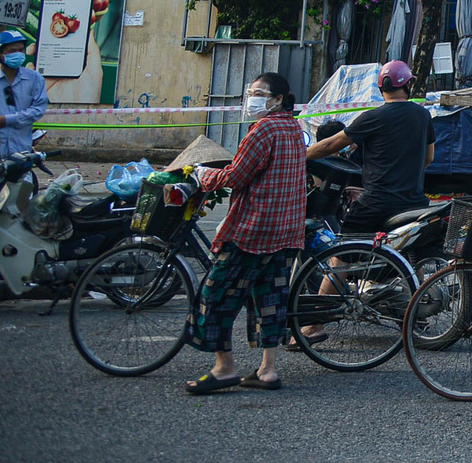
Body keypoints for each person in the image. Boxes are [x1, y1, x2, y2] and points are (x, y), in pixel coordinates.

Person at [181, 72, 307, 393]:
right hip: (286, 229)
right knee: (270, 298)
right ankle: (268, 370)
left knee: (216, 295)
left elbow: (236, 175)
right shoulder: (294, 127)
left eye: (259, 93)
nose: (252, 98)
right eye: (251, 92)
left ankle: (224, 368)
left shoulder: (262, 130)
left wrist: (204, 174)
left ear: (277, 100)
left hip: (253, 230)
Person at [306, 59, 433, 232]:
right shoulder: (423, 116)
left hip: (376, 204)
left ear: (382, 88)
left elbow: (331, 145)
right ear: (407, 85)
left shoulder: (373, 117)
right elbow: (429, 157)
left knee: (342, 251)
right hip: (414, 201)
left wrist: (299, 154)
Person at [0, 29, 47, 156]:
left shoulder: (34, 79)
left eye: (21, 50)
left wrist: (8, 120)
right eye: (12, 51)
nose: (18, 54)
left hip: (20, 151)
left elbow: (38, 109)